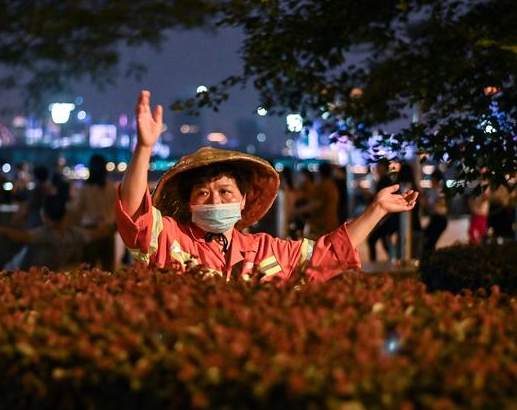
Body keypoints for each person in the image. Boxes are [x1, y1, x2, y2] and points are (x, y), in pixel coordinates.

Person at [116, 90, 418, 283]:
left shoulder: (265, 250)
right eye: (203, 193)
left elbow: (328, 253)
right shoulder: (171, 239)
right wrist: (143, 148)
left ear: (243, 200)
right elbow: (134, 218)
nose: (216, 201)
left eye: (225, 192)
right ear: (190, 202)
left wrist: (377, 209)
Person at [0, 195, 89, 271]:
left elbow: (16, 235)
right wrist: (105, 224)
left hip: (20, 272)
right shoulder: (73, 233)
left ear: (44, 215)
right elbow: (93, 234)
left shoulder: (45, 234)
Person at [69, 154, 118, 271]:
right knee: (108, 268)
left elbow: (76, 209)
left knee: (88, 268)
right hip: (108, 229)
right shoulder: (112, 187)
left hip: (90, 230)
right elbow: (116, 209)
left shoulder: (85, 188)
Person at [296, 162, 340, 239]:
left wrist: (296, 211)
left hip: (322, 226)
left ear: (320, 172)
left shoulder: (325, 185)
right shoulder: (332, 185)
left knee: (314, 249)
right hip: (330, 224)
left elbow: (316, 203)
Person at [366, 159, 397, 262]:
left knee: (373, 240)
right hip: (385, 218)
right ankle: (393, 261)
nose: (377, 169)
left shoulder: (384, 181)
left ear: (384, 168)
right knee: (384, 242)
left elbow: (379, 199)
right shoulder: (385, 180)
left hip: (384, 218)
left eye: (379, 167)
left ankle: (376, 262)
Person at [421, 169, 448, 258]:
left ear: (436, 180)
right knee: (427, 240)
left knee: (430, 242)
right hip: (434, 218)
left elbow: (441, 204)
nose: (431, 182)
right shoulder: (432, 191)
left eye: (432, 179)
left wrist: (429, 204)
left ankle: (431, 260)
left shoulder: (440, 191)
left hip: (440, 219)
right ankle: (429, 260)